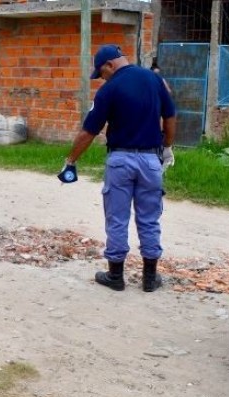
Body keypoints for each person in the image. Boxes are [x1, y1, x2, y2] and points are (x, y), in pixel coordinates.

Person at [57, 44, 177, 292]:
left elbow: (89, 131)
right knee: (149, 219)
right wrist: (167, 146)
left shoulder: (109, 90)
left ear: (109, 65)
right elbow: (170, 116)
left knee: (117, 219)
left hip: (120, 160)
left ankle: (115, 276)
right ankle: (149, 278)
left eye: (101, 73)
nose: (102, 78)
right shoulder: (154, 80)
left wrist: (71, 160)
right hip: (151, 161)